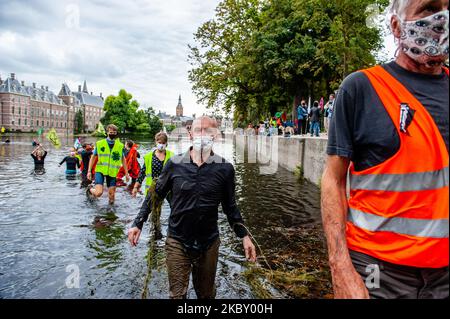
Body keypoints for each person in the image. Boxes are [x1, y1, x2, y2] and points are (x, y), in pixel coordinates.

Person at [321, 0, 449, 299]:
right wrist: (340, 269)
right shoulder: (361, 88)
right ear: (395, 25)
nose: (441, 18)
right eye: (429, 8)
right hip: (378, 269)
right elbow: (333, 179)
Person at [128, 116, 257, 299]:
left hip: (209, 243)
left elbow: (230, 207)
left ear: (216, 136)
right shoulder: (174, 165)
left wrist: (244, 236)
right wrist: (137, 223)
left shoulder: (225, 169)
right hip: (177, 240)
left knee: (205, 295)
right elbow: (154, 195)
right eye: (198, 130)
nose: (202, 135)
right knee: (177, 295)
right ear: (190, 134)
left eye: (208, 131)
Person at [131, 132, 173, 239]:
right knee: (154, 210)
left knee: (175, 207)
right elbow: (142, 173)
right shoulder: (149, 156)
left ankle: (173, 230)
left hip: (168, 188)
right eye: (159, 142)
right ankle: (156, 231)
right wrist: (136, 187)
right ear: (155, 142)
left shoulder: (171, 156)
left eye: (163, 143)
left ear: (166, 143)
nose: (161, 145)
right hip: (153, 188)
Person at [86, 124, 129, 205]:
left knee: (112, 197)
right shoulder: (100, 143)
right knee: (99, 193)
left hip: (112, 172)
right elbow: (93, 157)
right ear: (107, 132)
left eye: (114, 132)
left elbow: (123, 160)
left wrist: (126, 174)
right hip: (100, 170)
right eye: (111, 132)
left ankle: (110, 214)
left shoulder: (120, 146)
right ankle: (90, 190)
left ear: (116, 133)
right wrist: (89, 171)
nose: (112, 134)